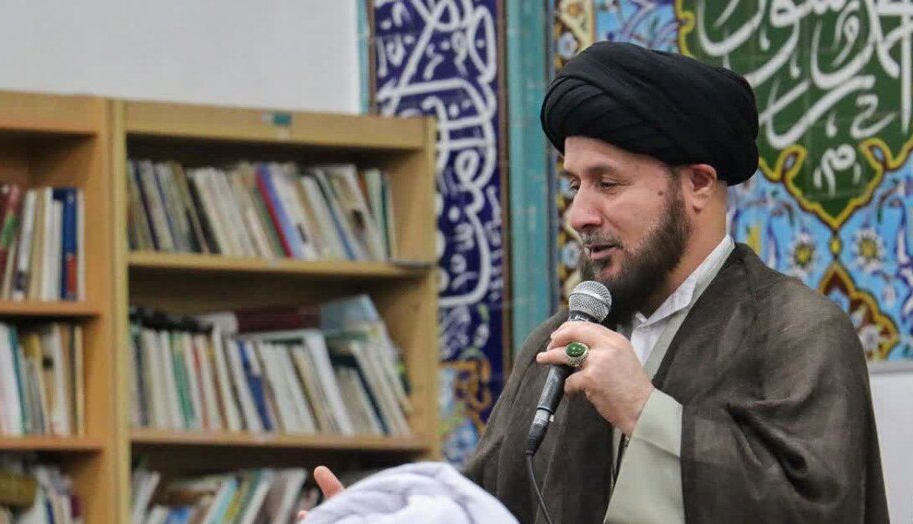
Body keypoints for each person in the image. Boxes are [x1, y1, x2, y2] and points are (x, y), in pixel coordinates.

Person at [305, 42, 890, 523]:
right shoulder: (558, 343)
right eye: (574, 185)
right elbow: (489, 505)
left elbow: (819, 509)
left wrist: (643, 410)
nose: (580, 215)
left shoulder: (796, 331)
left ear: (698, 184)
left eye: (607, 184)